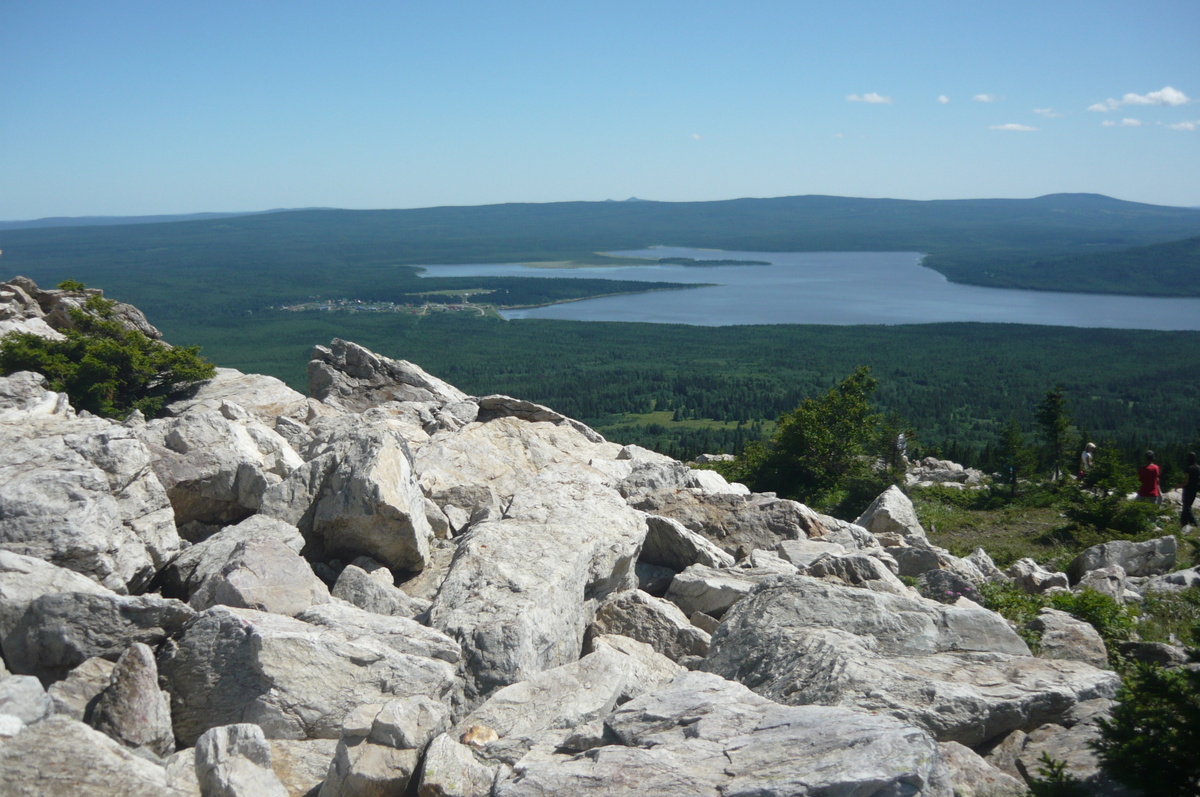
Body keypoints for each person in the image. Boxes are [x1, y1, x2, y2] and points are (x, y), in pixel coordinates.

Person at [1181, 452, 1199, 527]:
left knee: (1187, 507)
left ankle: (1195, 523)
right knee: (1186, 507)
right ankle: (1183, 523)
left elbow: (1186, 482)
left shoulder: (1188, 469)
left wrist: (1178, 486)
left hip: (1188, 489)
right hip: (1195, 489)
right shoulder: (1198, 467)